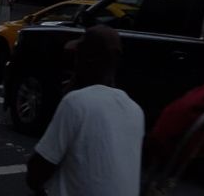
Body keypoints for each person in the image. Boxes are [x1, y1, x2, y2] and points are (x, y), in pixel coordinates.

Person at [26, 25, 144, 196]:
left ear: (85, 59)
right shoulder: (135, 110)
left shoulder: (76, 103)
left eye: (76, 56)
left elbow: (36, 173)